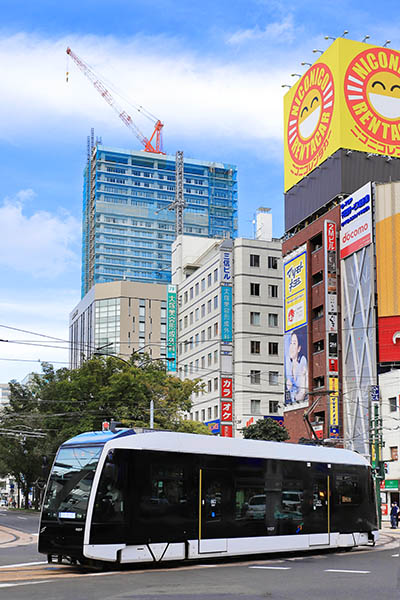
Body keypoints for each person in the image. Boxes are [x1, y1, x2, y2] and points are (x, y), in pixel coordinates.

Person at [285, 330, 308, 404]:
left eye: (294, 343)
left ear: (299, 348)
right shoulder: (289, 363)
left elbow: (303, 393)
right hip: (294, 405)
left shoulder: (303, 361)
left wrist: (292, 392)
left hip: (304, 403)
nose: (291, 346)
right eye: (291, 343)